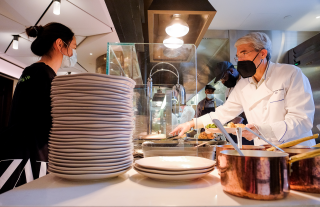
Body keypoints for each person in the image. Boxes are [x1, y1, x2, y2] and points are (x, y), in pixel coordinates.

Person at [171, 32, 315, 147]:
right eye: (238, 55)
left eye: (244, 53)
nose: (239, 60)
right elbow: (223, 113)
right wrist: (191, 124)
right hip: (264, 149)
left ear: (263, 54)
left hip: (296, 150)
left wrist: (261, 131)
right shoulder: (243, 84)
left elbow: (302, 120)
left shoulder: (290, 74)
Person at [0, 22, 77, 194]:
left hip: (18, 149)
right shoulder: (46, 76)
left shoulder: (31, 71)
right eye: (73, 47)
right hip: (32, 158)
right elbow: (52, 122)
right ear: (59, 44)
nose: (72, 54)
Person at [213, 61, 253, 145]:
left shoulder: (247, 82)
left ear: (231, 71)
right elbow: (228, 109)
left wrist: (241, 116)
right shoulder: (228, 89)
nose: (223, 82)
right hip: (233, 129)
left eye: (224, 78)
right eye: (221, 80)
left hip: (247, 128)